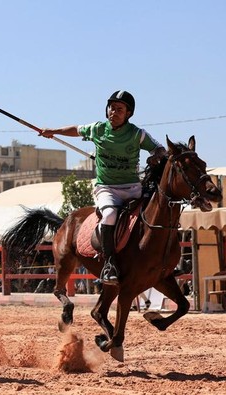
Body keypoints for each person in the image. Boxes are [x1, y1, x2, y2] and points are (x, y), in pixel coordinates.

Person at [41, 90, 166, 286]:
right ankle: (109, 265)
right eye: (111, 108)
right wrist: (54, 131)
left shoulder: (138, 134)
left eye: (119, 109)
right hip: (107, 188)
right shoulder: (98, 129)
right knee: (109, 216)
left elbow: (159, 149)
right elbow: (76, 129)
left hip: (133, 188)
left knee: (159, 213)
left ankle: (165, 261)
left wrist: (156, 156)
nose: (113, 112)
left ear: (128, 114)